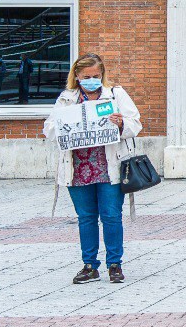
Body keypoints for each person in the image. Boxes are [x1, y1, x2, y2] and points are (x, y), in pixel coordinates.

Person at [42, 53, 141, 285]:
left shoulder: (115, 94)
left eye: (96, 76)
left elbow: (135, 123)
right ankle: (89, 265)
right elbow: (49, 128)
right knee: (86, 217)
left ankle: (115, 264)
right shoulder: (67, 99)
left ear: (102, 74)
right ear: (76, 76)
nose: (92, 80)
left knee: (111, 216)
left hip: (108, 166)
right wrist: (62, 126)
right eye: (87, 76)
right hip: (77, 168)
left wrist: (121, 123)